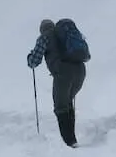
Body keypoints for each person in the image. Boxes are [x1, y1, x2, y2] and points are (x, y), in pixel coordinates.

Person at [27, 19, 87, 148]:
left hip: (63, 73)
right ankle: (72, 140)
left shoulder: (45, 37)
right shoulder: (64, 36)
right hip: (80, 71)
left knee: (61, 107)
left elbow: (34, 61)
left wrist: (30, 58)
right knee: (67, 102)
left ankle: (70, 143)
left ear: (42, 29)